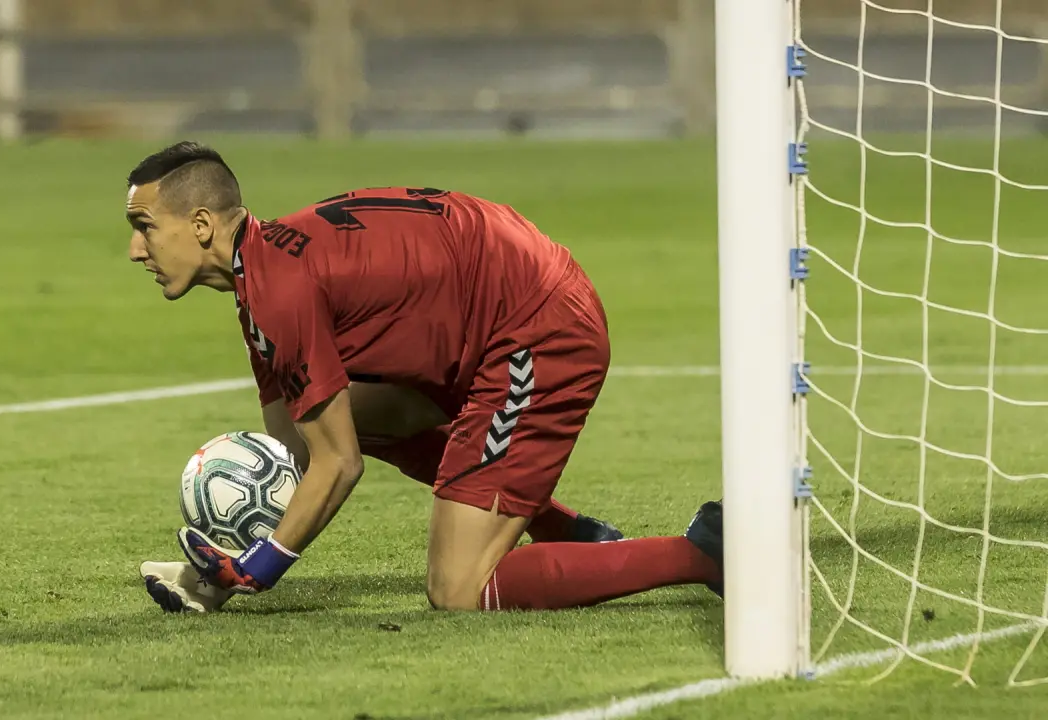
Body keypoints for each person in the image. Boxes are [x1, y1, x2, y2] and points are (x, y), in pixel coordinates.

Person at [126, 141, 722, 613]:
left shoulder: (277, 291)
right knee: (339, 421)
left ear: (201, 225)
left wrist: (261, 566)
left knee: (458, 587)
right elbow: (294, 448)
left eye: (144, 225)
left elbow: (338, 464)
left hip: (536, 326)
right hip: (490, 314)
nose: (134, 248)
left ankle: (705, 552)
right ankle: (571, 534)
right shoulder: (261, 277)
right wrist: (215, 576)